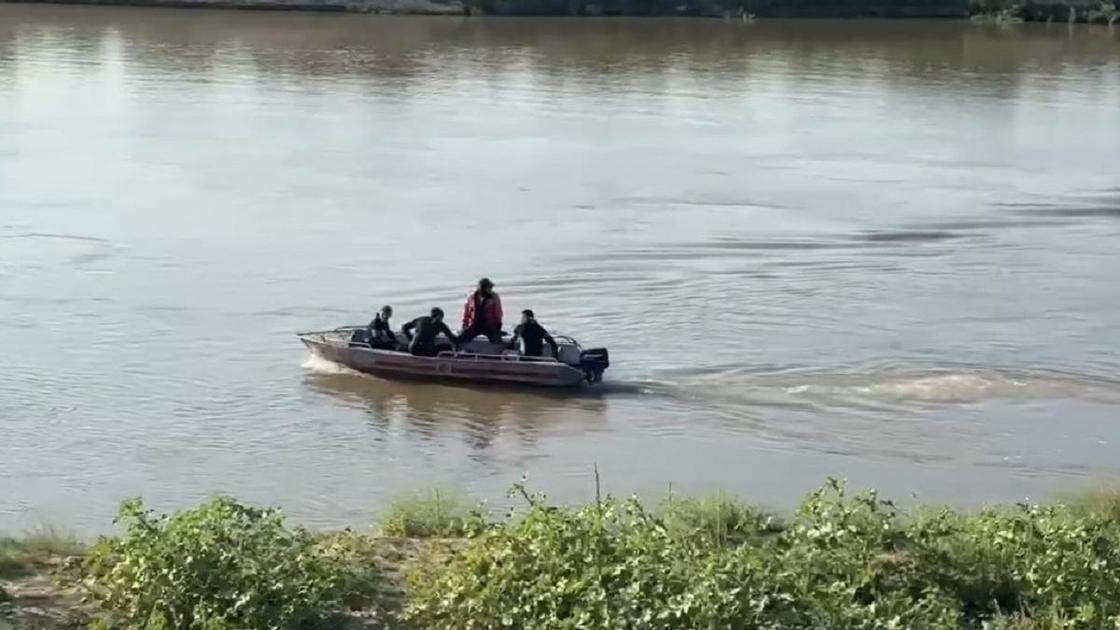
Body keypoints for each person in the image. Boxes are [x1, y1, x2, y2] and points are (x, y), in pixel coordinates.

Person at [459, 277, 503, 344]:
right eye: (489, 288)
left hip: (489, 324)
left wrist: (498, 325)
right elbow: (467, 313)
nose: (491, 290)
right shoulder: (471, 298)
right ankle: (461, 349)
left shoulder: (494, 297)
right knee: (463, 337)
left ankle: (498, 350)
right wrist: (465, 325)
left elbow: (498, 312)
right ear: (482, 288)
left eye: (491, 288)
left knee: (497, 340)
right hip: (475, 324)